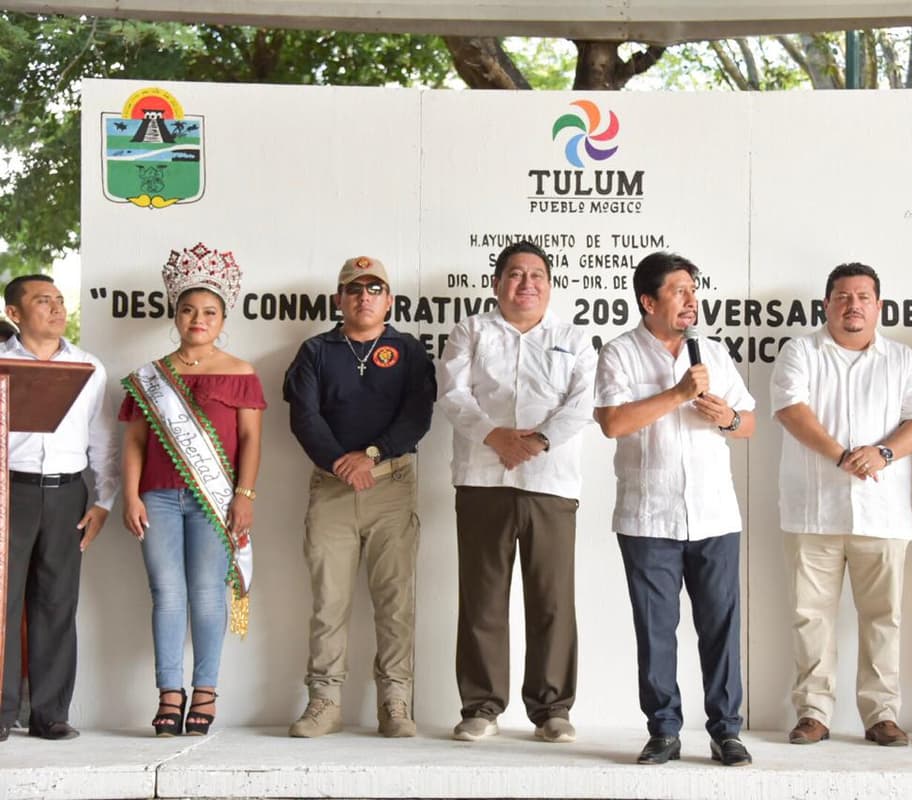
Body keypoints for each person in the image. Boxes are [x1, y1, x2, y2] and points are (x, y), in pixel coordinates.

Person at [594, 251, 756, 767]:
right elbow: (613, 423)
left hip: (714, 513)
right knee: (656, 629)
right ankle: (664, 730)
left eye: (693, 290)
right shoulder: (619, 354)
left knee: (721, 627)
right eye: (679, 290)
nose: (691, 300)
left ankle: (726, 731)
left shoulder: (714, 352)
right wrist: (679, 393)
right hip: (648, 516)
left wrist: (728, 417)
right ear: (649, 301)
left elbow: (748, 423)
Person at [437, 240, 596, 744]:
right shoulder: (471, 331)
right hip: (483, 479)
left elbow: (581, 404)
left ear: (549, 286)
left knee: (552, 600)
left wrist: (536, 441)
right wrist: (494, 436)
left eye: (536, 275)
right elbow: (453, 394)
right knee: (482, 599)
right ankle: (481, 707)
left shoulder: (574, 338)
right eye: (515, 274)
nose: (526, 283)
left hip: (550, 483)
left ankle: (552, 709)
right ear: (496, 283)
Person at [770, 262, 912, 748]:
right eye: (843, 296)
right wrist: (840, 455)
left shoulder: (902, 359)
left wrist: (883, 453)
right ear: (827, 304)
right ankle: (813, 713)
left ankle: (882, 715)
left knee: (884, 618)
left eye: (863, 297)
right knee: (810, 617)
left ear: (878, 306)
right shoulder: (801, 351)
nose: (853, 305)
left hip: (882, 512)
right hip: (812, 509)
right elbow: (790, 409)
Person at [284, 256, 435, 738]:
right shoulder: (315, 351)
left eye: (374, 289)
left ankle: (395, 702)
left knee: (395, 600)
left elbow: (418, 416)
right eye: (353, 289)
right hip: (331, 488)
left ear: (389, 300)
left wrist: (371, 455)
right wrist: (340, 462)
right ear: (339, 299)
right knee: (329, 601)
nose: (363, 297)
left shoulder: (409, 351)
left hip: (392, 485)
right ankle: (324, 701)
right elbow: (304, 417)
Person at [119, 243, 265, 736]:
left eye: (208, 312)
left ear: (223, 318)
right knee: (166, 594)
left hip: (215, 500)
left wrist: (244, 496)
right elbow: (135, 441)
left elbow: (251, 441)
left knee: (206, 594)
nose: (197, 319)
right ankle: (169, 692)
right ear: (175, 315)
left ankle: (205, 691)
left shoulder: (241, 372)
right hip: (157, 497)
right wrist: (131, 495)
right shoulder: (151, 376)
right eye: (188, 310)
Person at [1, 274, 119, 742]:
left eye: (58, 299)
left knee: (56, 602)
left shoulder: (88, 366)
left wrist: (103, 501)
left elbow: (103, 439)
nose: (55, 308)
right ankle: (2, 710)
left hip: (68, 493)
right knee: (3, 602)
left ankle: (49, 714)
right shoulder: (2, 362)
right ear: (14, 313)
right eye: (41, 301)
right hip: (8, 490)